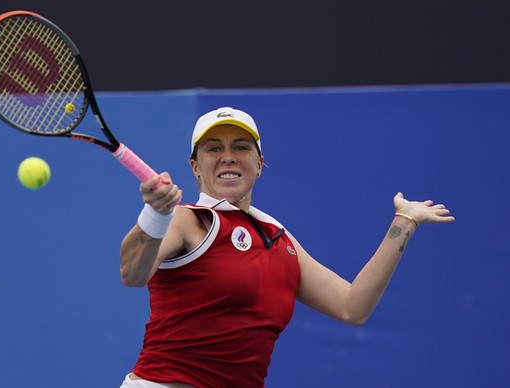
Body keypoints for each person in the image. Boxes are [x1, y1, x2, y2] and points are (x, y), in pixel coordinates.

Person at [119, 107, 455, 388]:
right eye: (213, 149)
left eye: (240, 147)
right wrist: (155, 215)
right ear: (195, 166)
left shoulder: (279, 239)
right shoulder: (186, 220)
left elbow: (353, 306)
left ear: (260, 163)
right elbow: (132, 273)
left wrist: (403, 222)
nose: (228, 157)